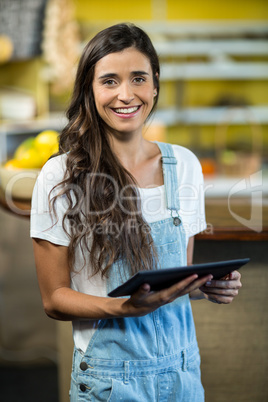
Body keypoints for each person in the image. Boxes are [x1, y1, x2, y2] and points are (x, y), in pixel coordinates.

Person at [30, 23, 242, 401]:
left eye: (138, 78)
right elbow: (54, 299)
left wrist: (205, 286)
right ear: (90, 90)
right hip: (110, 381)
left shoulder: (185, 165)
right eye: (109, 81)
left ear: (155, 84)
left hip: (182, 373)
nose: (125, 95)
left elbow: (169, 280)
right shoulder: (61, 176)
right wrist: (124, 308)